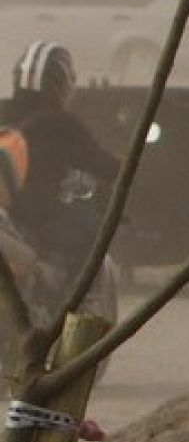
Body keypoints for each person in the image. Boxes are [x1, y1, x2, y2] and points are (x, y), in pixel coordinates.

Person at [0, 42, 120, 280]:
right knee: (90, 234)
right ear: (61, 85)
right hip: (35, 220)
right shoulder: (60, 124)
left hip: (8, 219)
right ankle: (81, 316)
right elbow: (106, 166)